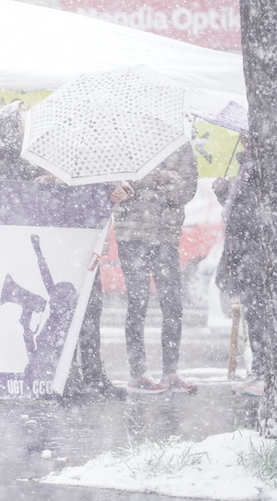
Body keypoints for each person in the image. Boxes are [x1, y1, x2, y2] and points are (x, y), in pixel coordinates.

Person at [0, 101, 126, 402]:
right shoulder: (0, 167)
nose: (30, 127)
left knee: (88, 312)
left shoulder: (47, 160)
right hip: (42, 258)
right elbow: (6, 202)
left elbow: (75, 198)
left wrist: (104, 192)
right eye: (22, 122)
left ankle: (94, 376)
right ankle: (65, 376)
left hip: (72, 252)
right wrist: (41, 185)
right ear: (8, 131)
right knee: (59, 320)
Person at [112, 142, 198, 394]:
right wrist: (161, 178)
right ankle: (137, 373)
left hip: (166, 235)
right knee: (137, 303)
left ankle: (170, 372)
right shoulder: (128, 143)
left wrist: (152, 186)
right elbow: (124, 185)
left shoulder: (182, 146)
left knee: (172, 304)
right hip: (133, 235)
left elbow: (185, 190)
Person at [213, 142, 266, 397]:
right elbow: (238, 210)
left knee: (260, 312)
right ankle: (259, 369)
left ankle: (265, 370)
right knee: (253, 312)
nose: (245, 138)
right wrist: (223, 193)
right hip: (243, 249)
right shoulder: (245, 165)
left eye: (249, 134)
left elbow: (252, 210)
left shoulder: (262, 167)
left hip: (256, 248)